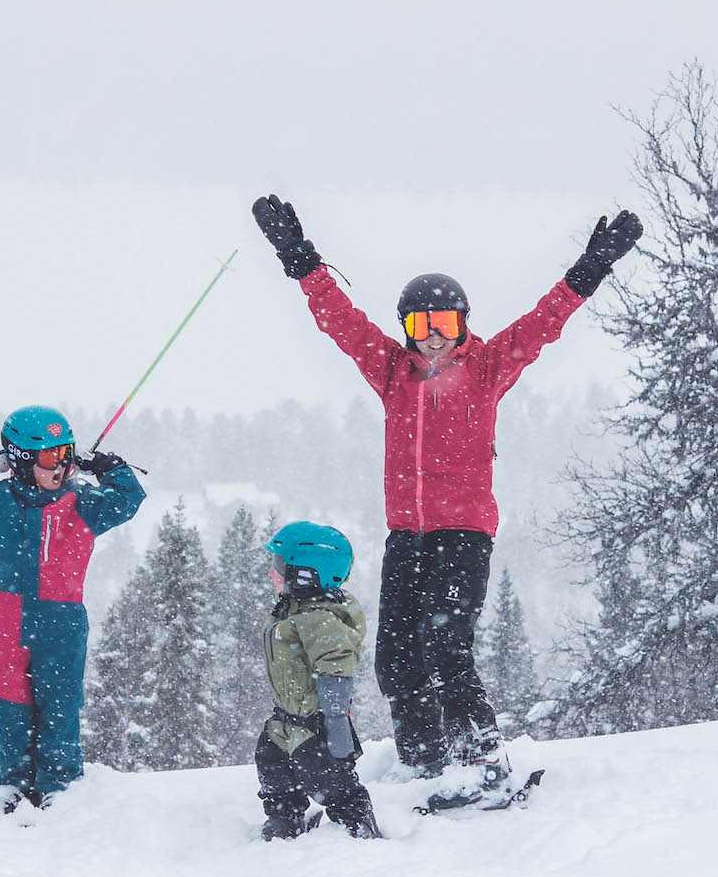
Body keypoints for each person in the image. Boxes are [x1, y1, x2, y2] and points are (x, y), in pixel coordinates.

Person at [251, 194, 642, 805]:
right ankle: (428, 764)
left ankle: (483, 761)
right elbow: (341, 322)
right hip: (406, 534)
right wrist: (299, 258)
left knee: (445, 644)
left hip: (463, 535)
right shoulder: (391, 373)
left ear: (463, 327)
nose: (432, 339)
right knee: (397, 657)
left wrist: (591, 268)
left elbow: (545, 322)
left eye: (444, 326)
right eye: (420, 327)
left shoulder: (487, 369)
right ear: (406, 330)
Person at [0, 406, 148, 811]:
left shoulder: (83, 504)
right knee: (10, 709)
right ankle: (11, 787)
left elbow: (129, 499)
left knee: (59, 711)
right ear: (22, 461)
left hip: (61, 625)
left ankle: (58, 791)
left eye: (68, 453)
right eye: (49, 457)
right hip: (3, 620)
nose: (62, 466)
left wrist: (109, 467)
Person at [253, 520, 382, 841]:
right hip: (283, 720)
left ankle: (357, 822)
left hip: (316, 723)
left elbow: (336, 668)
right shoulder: (293, 610)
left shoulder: (320, 619)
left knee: (328, 779)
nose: (272, 572)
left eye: (279, 566)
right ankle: (286, 819)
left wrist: (336, 722)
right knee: (272, 767)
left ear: (307, 573)